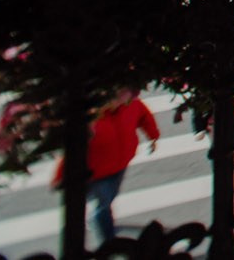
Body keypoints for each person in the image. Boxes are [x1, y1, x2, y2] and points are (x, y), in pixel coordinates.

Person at [52, 89, 159, 244]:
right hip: (97, 172)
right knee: (102, 207)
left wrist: (153, 136)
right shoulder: (91, 118)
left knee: (106, 200)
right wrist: (60, 175)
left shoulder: (133, 105)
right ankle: (108, 243)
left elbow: (144, 117)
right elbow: (72, 151)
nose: (121, 97)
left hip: (119, 166)